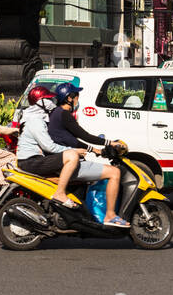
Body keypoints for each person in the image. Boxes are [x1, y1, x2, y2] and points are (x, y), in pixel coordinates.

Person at [48, 82, 126, 227]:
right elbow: (84, 135)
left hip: (61, 159)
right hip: (69, 163)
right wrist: (109, 143)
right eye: (76, 95)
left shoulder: (56, 113)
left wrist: (93, 150)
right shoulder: (65, 115)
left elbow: (70, 139)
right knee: (114, 172)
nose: (78, 99)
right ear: (70, 98)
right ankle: (110, 215)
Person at [15, 85, 84, 188]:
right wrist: (73, 150)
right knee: (71, 156)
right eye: (48, 99)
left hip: (33, 160)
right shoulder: (35, 121)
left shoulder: (38, 118)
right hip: (31, 162)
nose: (51, 101)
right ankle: (60, 193)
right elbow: (49, 146)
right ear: (40, 103)